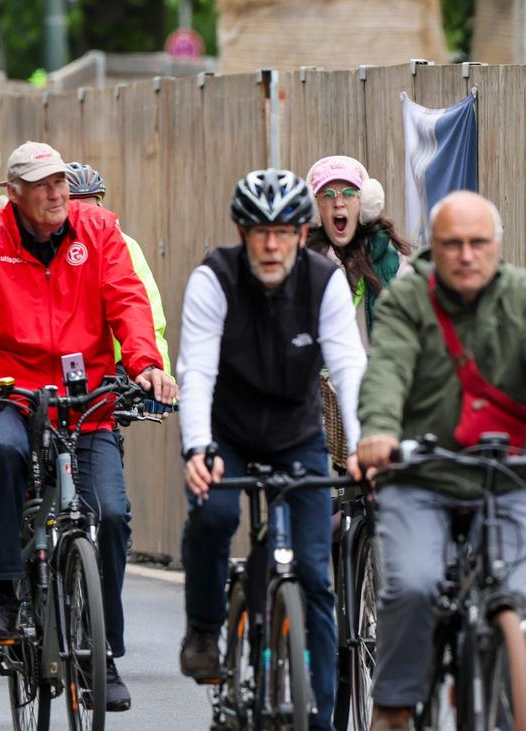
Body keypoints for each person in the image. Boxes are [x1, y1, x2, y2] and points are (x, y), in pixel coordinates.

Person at [0, 141, 176, 712]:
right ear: (14, 193)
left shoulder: (98, 230)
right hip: (7, 390)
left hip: (83, 396)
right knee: (1, 454)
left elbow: (128, 302)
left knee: (111, 515)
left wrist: (145, 364)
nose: (56, 193)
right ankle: (2, 591)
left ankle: (103, 651)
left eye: (61, 182)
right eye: (42, 184)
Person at [175, 169, 367, 731]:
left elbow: (349, 367)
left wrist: (361, 447)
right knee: (214, 514)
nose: (272, 245)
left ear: (301, 234)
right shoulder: (214, 278)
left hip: (296, 435)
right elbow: (197, 371)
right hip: (227, 433)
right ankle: (205, 628)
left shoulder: (324, 281)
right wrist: (198, 449)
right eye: (260, 232)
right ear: (243, 233)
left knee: (315, 576)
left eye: (283, 232)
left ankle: (321, 719)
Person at [356, 191, 526, 731]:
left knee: (522, 591)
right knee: (414, 584)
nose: (466, 255)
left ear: (497, 245)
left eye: (478, 243)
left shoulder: (520, 297)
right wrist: (380, 431)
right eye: (453, 244)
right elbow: (387, 369)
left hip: (507, 477)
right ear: (435, 247)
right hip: (421, 476)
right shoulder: (409, 298)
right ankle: (394, 705)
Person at [66, 162, 171, 372]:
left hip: (121, 372)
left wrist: (154, 372)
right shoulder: (50, 250)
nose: (87, 218)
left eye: (92, 207)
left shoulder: (125, 246)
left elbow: (149, 321)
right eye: (78, 209)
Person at [304, 155, 412, 338]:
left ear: (364, 203)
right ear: (315, 209)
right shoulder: (300, 265)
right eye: (327, 195)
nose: (338, 203)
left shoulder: (398, 265)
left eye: (348, 193)